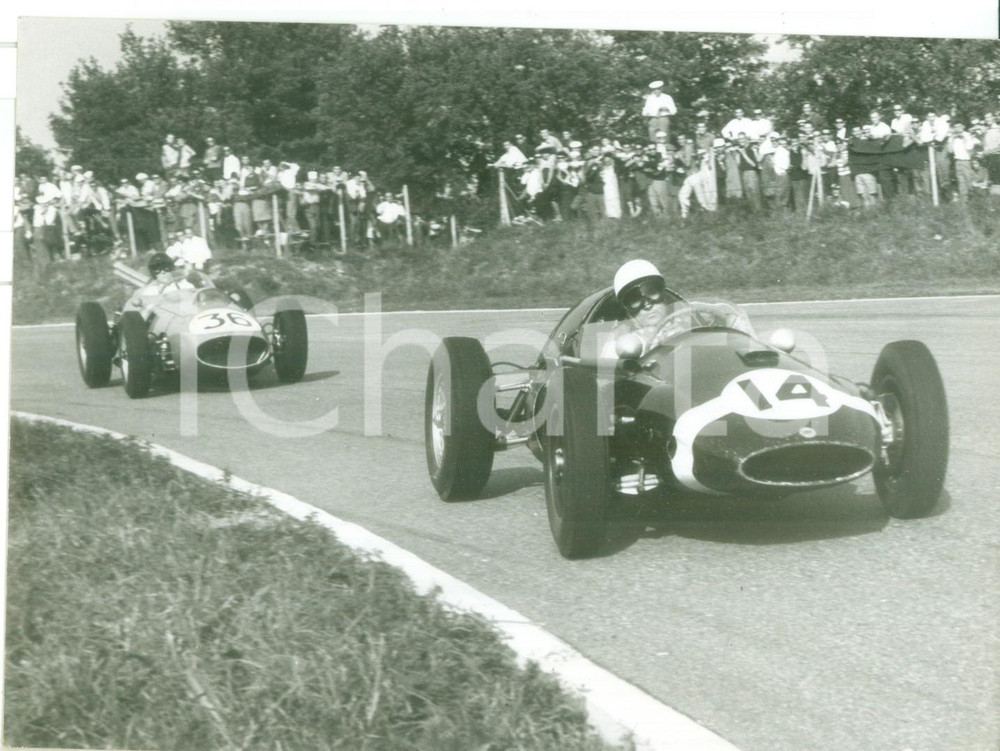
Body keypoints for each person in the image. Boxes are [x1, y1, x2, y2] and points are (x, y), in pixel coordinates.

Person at [603, 259, 754, 358]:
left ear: (662, 292)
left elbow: (728, 313)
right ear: (626, 307)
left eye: (651, 292)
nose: (647, 304)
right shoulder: (620, 338)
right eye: (635, 299)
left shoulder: (687, 317)